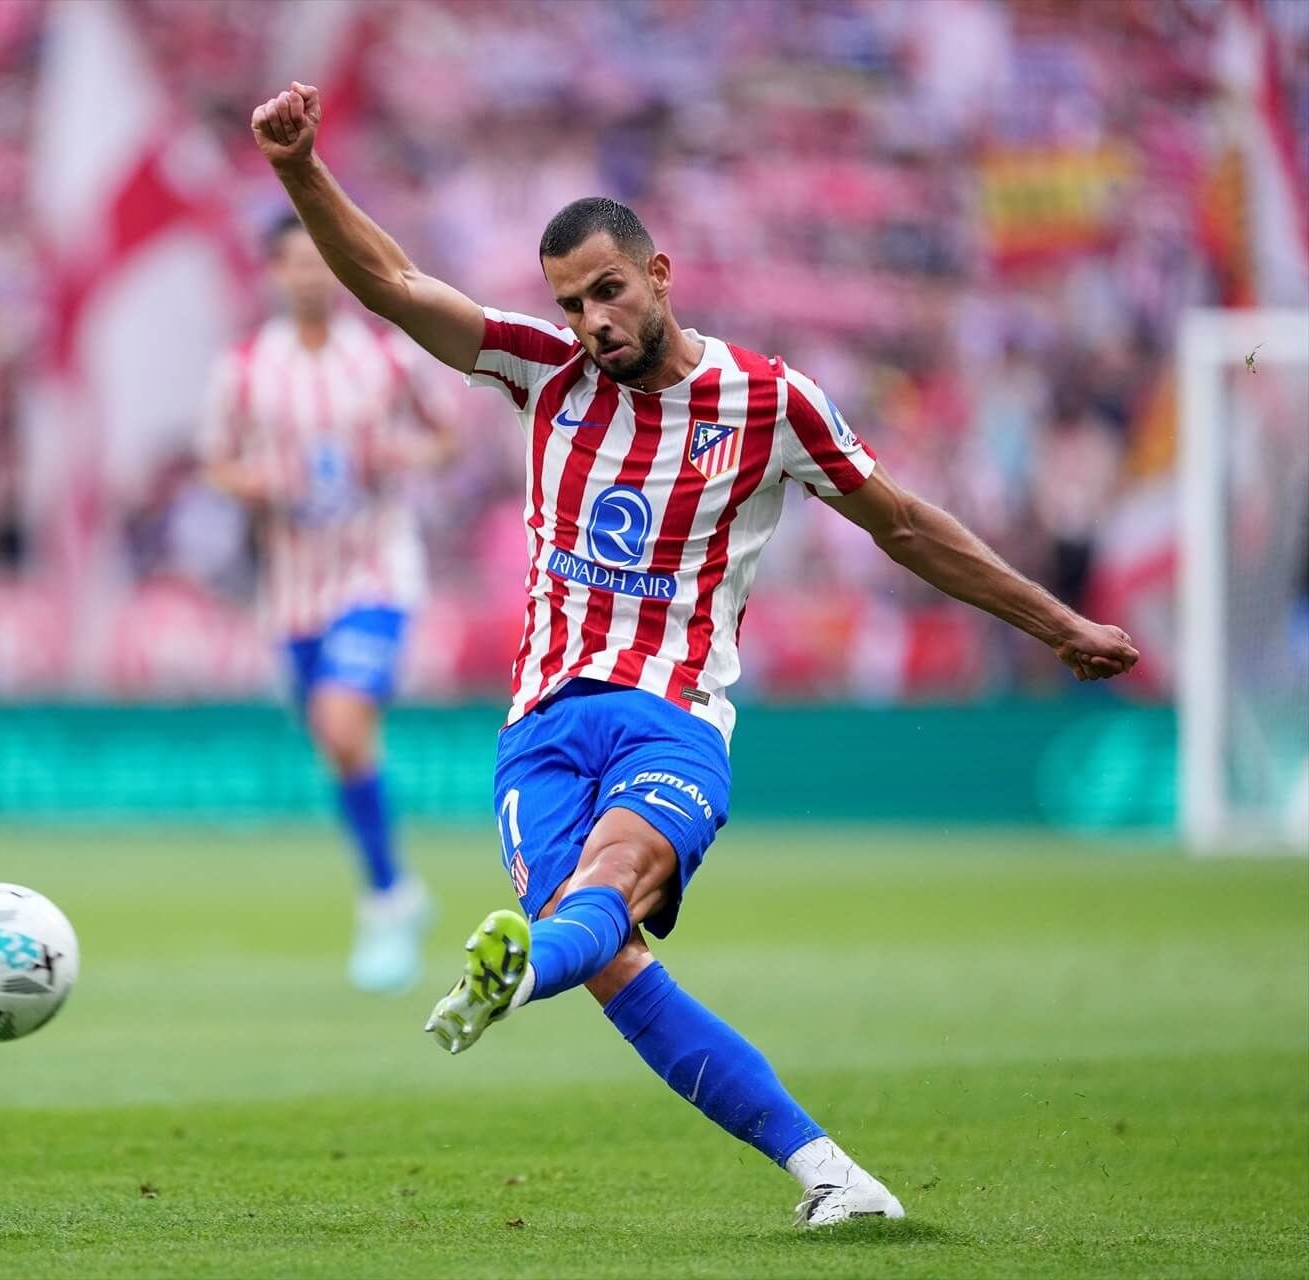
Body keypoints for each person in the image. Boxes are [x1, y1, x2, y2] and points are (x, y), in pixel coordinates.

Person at [249, 82, 1139, 1227]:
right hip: (538, 733)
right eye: (571, 304)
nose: (592, 323)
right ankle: (830, 1174)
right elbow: (393, 283)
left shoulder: (769, 402)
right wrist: (300, 167)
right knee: (611, 958)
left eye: (609, 292)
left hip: (672, 715)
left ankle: (518, 970)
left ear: (659, 273)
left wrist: (1057, 622)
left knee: (613, 883)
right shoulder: (538, 371)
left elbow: (905, 525)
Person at [204, 213, 461, 994]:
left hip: (375, 573)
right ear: (272, 275)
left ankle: (385, 901)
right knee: (340, 745)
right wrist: (254, 483)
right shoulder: (246, 368)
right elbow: (217, 462)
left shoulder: (382, 355)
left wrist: (403, 455)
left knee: (343, 721)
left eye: (321, 262)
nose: (310, 276)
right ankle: (398, 888)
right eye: (293, 264)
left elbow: (445, 436)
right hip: (292, 591)